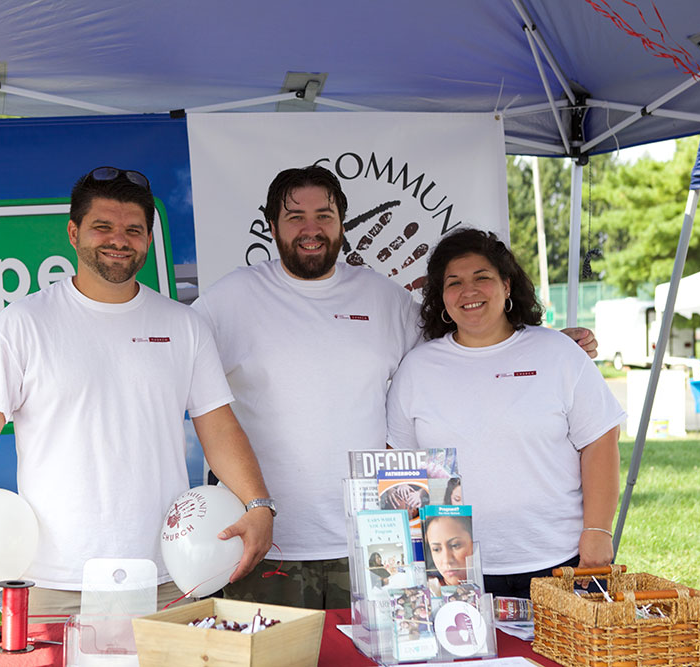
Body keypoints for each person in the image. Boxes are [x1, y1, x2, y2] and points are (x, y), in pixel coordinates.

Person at [193, 166, 598, 609]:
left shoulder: (383, 298)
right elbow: (184, 374)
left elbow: (466, 350)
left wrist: (542, 344)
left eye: (324, 216)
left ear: (342, 225)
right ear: (272, 227)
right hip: (268, 544)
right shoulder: (228, 300)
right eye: (295, 217)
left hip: (375, 541)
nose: (312, 229)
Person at [0, 166, 274, 616]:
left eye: (133, 230)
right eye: (102, 226)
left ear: (148, 239)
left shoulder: (185, 326)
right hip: (52, 583)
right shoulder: (22, 324)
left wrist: (258, 503)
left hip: (166, 577)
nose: (118, 240)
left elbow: (218, 427)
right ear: (73, 232)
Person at [386, 228, 624, 599]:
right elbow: (400, 467)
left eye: (482, 277)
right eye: (454, 282)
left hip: (560, 561)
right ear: (440, 296)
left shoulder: (558, 353)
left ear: (507, 286)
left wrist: (597, 531)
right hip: (455, 573)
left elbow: (600, 441)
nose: (469, 291)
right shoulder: (416, 369)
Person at [423, 514, 474, 587]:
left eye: (455, 545)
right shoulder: (430, 591)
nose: (446, 560)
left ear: (473, 544)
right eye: (436, 549)